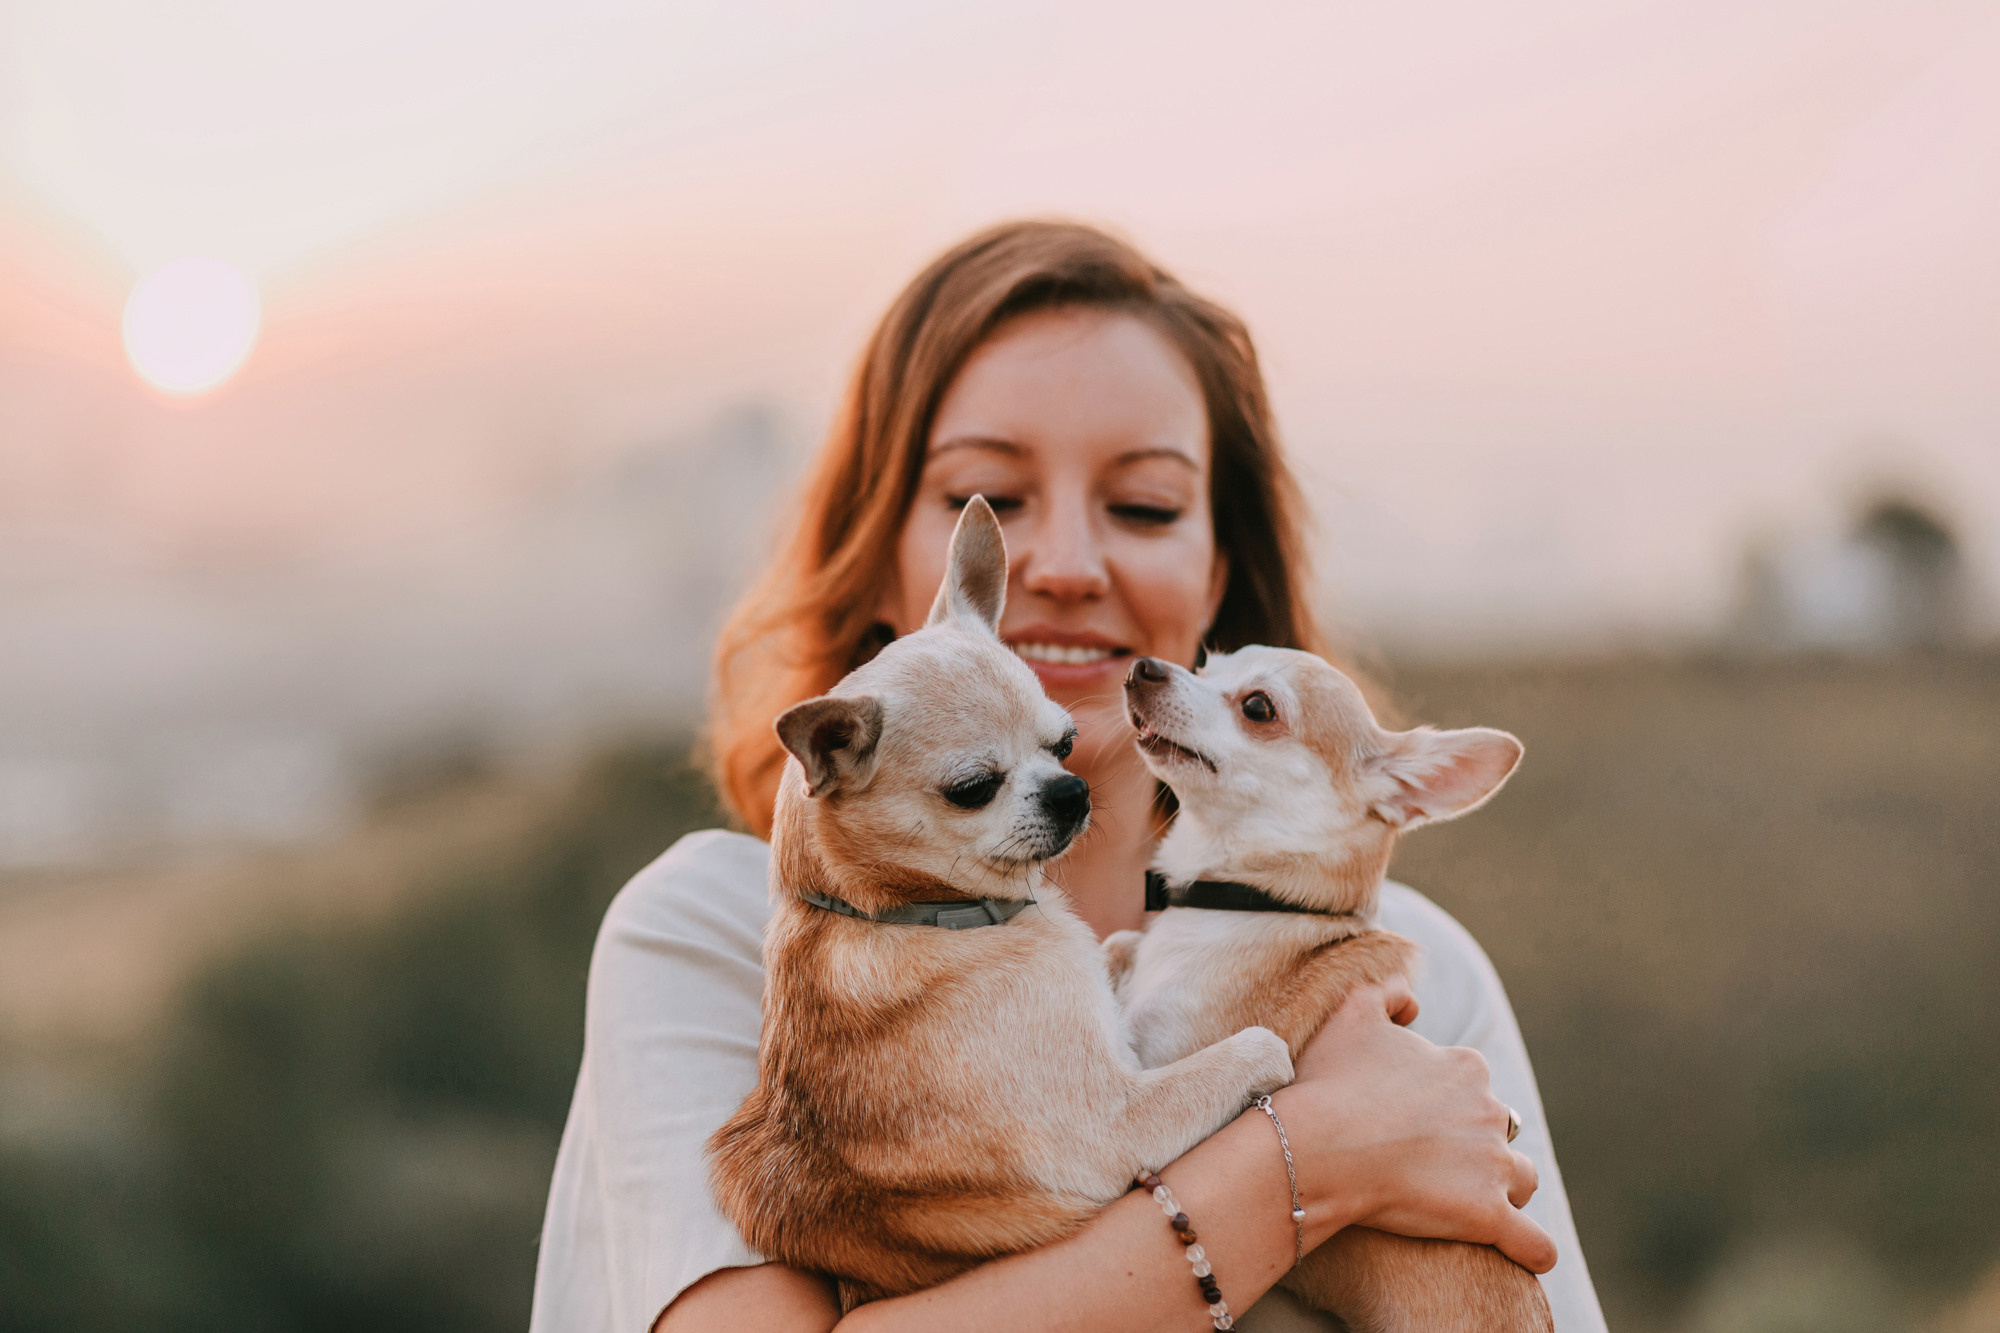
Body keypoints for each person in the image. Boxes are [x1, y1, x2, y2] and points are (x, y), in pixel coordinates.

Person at [530, 221, 1609, 1332]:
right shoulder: (714, 935)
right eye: (986, 496)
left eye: (1142, 506)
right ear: (887, 556)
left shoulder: (1408, 973)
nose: (1063, 566)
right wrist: (1302, 1168)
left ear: (1217, 572)